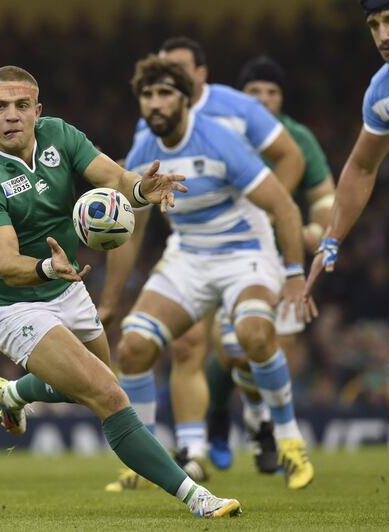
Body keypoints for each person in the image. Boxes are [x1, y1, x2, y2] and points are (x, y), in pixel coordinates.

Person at [0, 64, 241, 519]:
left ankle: (15, 394)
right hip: (16, 308)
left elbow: (113, 178)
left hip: (67, 288)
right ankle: (197, 497)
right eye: (0, 106)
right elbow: (6, 265)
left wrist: (141, 189)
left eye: (21, 105)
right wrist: (46, 267)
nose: (11, 115)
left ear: (37, 110)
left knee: (97, 385)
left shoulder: (59, 135)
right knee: (109, 396)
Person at [102, 57, 315, 491]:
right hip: (190, 255)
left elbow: (283, 206)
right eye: (147, 95)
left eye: (165, 93)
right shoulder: (144, 149)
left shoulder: (219, 139)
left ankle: (290, 440)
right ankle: (140, 463)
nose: (155, 103)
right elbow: (132, 230)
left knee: (254, 335)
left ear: (185, 99)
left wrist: (294, 275)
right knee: (134, 347)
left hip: (244, 250)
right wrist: (109, 301)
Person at [305, 0, 389, 499]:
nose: (383, 34)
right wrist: (331, 239)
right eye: (375, 24)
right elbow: (361, 167)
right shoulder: (384, 89)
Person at [202, 55, 337, 472]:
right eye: (254, 91)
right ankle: (228, 416)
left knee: (271, 349)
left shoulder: (297, 139)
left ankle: (257, 420)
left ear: (282, 98)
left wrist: (316, 229)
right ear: (240, 97)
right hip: (228, 251)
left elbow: (325, 196)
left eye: (271, 92)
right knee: (233, 350)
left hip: (282, 255)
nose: (263, 99)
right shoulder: (220, 132)